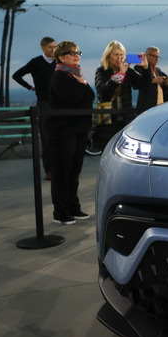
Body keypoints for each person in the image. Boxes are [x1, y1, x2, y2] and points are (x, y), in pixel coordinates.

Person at [48, 41, 95, 225]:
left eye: (78, 52)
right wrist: (82, 86)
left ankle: (73, 207)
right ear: (61, 57)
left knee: (74, 172)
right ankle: (61, 211)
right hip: (63, 131)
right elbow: (75, 98)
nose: (77, 55)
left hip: (78, 130)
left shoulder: (76, 76)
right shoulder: (60, 76)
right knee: (63, 172)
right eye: (73, 52)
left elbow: (90, 97)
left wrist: (82, 86)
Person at [12, 37, 56, 180]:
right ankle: (49, 170)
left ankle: (59, 169)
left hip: (59, 104)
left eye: (54, 47)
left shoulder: (58, 62)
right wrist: (30, 87)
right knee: (46, 138)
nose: (52, 50)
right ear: (43, 47)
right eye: (50, 47)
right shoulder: (36, 62)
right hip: (44, 104)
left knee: (58, 138)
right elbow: (16, 75)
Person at [94, 40, 151, 129]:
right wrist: (120, 74)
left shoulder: (128, 71)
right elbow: (103, 91)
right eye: (116, 54)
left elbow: (144, 84)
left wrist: (146, 67)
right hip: (108, 119)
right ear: (108, 56)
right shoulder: (101, 71)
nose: (119, 58)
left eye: (121, 54)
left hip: (126, 118)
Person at [135, 46, 168, 115]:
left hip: (160, 108)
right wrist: (153, 81)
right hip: (146, 109)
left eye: (158, 57)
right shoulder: (139, 67)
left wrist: (166, 81)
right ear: (146, 56)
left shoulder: (157, 70)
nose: (156, 59)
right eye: (154, 56)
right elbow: (138, 84)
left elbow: (165, 81)